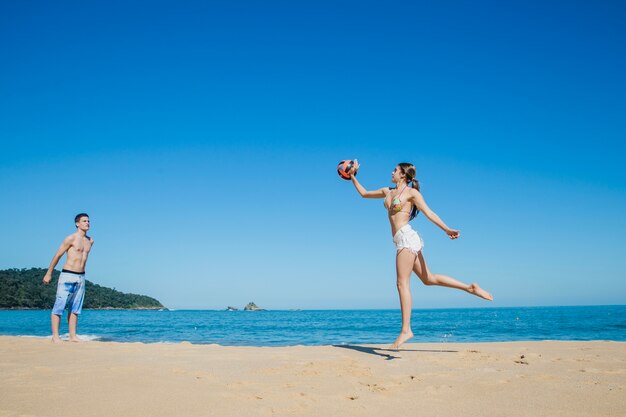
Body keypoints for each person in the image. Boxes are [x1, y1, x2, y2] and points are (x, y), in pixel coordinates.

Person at [348, 161, 492, 349]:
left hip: (406, 238)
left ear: (403, 175)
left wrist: (446, 229)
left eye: (395, 170)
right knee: (428, 279)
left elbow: (429, 212)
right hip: (400, 240)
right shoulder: (387, 191)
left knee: (402, 283)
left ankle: (406, 329)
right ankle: (470, 288)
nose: (392, 172)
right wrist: (352, 176)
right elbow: (364, 193)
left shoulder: (411, 193)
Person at [42, 213, 94, 343]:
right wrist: (49, 273)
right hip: (67, 275)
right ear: (77, 223)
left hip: (81, 277)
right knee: (59, 306)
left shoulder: (90, 241)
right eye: (84, 221)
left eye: (88, 221)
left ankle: (72, 336)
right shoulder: (70, 238)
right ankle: (55, 336)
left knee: (75, 308)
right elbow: (57, 255)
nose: (87, 223)